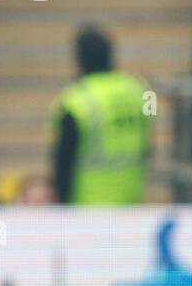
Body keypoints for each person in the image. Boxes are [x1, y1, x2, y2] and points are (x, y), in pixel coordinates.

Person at [50, 26, 152, 205]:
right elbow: (148, 144)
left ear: (79, 58)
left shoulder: (76, 100)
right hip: (131, 201)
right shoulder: (137, 89)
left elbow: (63, 161)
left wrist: (60, 203)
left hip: (89, 207)